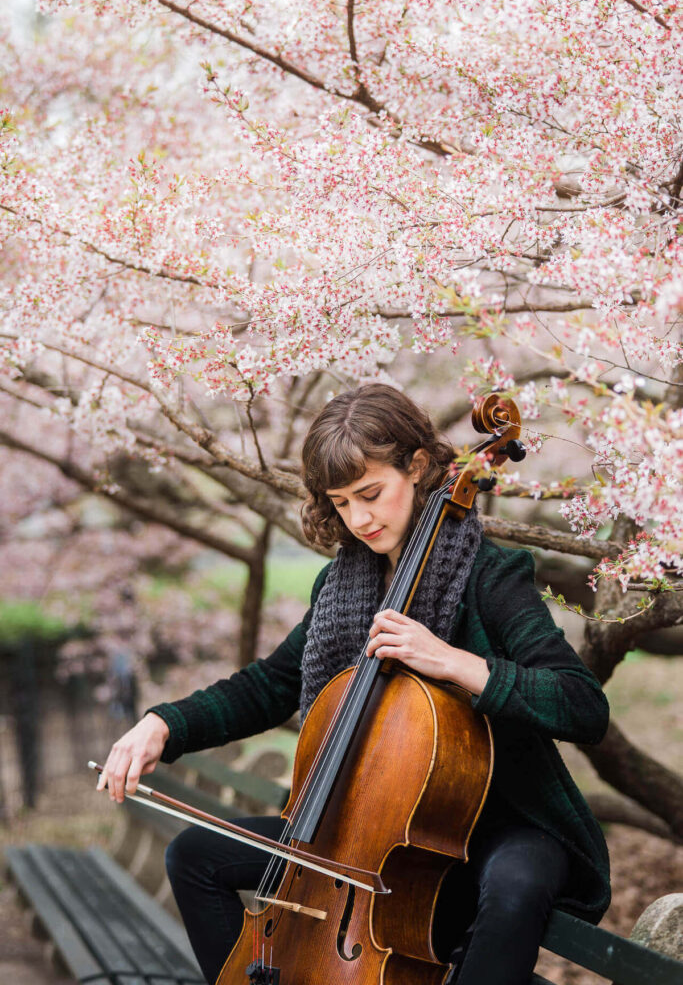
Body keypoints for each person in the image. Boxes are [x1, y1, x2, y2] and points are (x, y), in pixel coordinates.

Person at [97, 384, 611, 985]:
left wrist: (450, 660)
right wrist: (163, 724)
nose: (360, 518)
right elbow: (269, 685)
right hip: (371, 841)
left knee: (517, 885)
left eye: (371, 493)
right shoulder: (342, 589)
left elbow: (582, 705)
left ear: (418, 468)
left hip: (499, 833)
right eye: (342, 503)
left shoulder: (490, 578)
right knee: (195, 857)